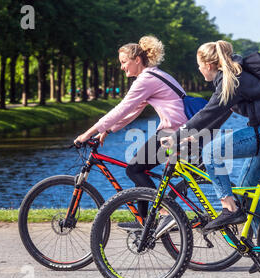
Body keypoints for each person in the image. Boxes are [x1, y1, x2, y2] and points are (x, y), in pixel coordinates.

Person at [163, 40, 260, 232]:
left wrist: (176, 136)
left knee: (211, 152)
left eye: (199, 66)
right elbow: (218, 116)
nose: (199, 70)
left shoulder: (231, 79)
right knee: (245, 190)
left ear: (208, 65)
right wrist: (195, 137)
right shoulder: (234, 77)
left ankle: (229, 208)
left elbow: (208, 112)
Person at [74, 35, 188, 234]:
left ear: (137, 60)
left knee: (134, 170)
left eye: (124, 62)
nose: (122, 67)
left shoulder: (145, 80)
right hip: (185, 129)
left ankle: (163, 213)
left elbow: (121, 108)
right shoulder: (154, 75)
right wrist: (108, 130)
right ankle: (146, 221)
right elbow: (133, 112)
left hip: (174, 132)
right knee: (138, 169)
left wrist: (88, 133)